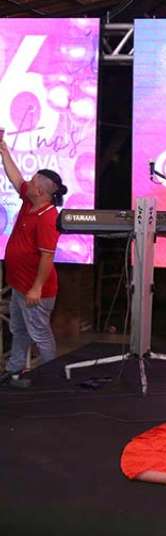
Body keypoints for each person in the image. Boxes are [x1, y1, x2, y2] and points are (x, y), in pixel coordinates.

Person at [0, 129, 68, 389]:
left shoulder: (48, 218)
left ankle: (52, 379)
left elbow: (47, 257)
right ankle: (14, 371)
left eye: (33, 181)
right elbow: (16, 178)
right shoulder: (31, 202)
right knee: (18, 329)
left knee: (40, 334)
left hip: (35, 290)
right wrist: (4, 150)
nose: (27, 182)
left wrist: (36, 288)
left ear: (39, 190)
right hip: (20, 285)